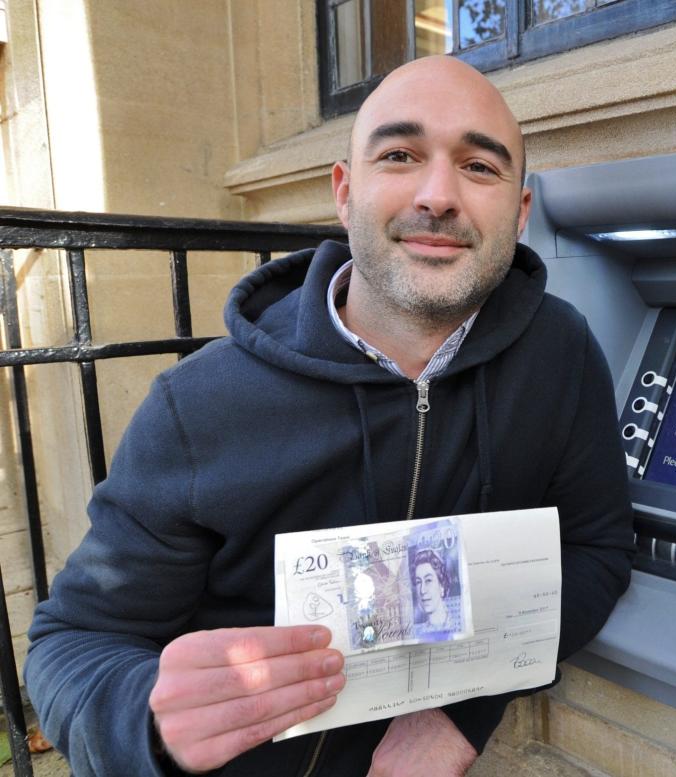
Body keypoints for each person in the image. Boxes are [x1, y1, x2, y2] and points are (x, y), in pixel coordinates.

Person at [24, 55, 634, 777]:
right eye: (400, 155)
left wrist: (459, 715)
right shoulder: (198, 406)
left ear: (520, 210)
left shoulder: (560, 357)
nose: (439, 195)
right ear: (344, 193)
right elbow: (70, 643)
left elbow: (595, 551)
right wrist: (144, 716)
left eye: (479, 166)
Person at [410, 548, 459, 634]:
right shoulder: (418, 632)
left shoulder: (457, 624)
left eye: (428, 580)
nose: (422, 590)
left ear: (442, 585)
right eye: (418, 582)